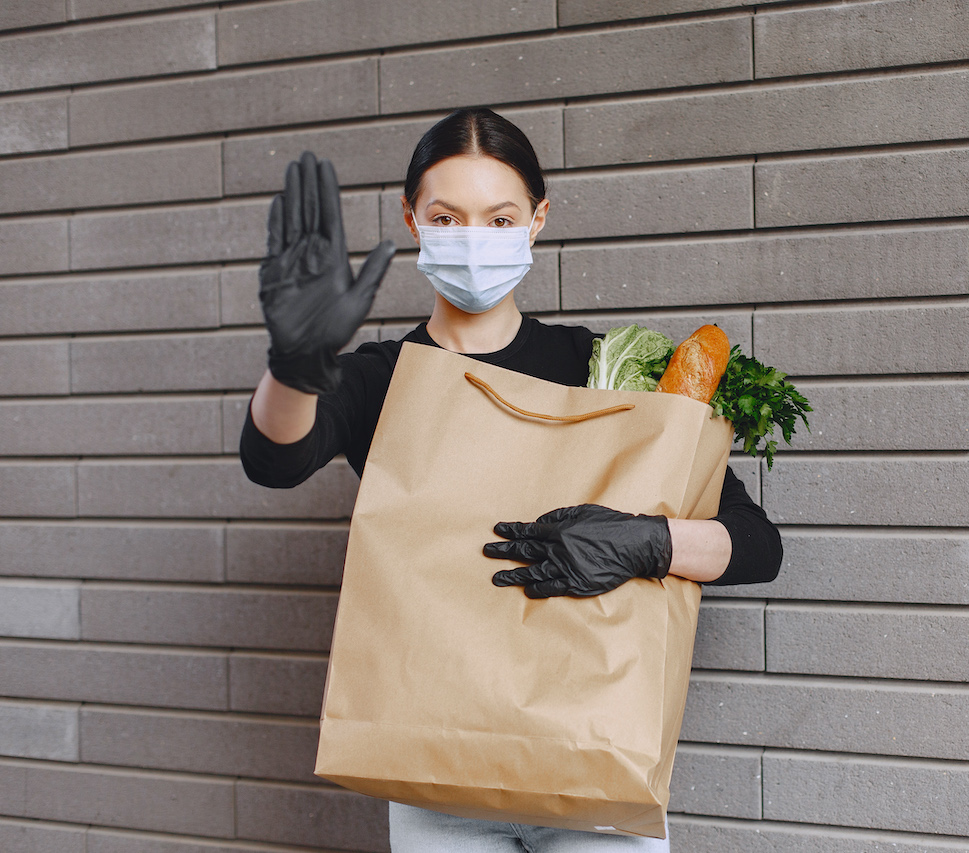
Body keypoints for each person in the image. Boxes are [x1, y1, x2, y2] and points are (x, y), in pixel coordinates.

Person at [240, 107, 783, 852]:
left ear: (538, 220)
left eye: (499, 217)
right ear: (411, 219)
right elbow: (273, 458)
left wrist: (649, 542)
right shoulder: (379, 380)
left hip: (595, 765)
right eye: (446, 215)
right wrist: (295, 364)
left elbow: (756, 544)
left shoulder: (607, 371)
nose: (473, 237)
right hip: (438, 772)